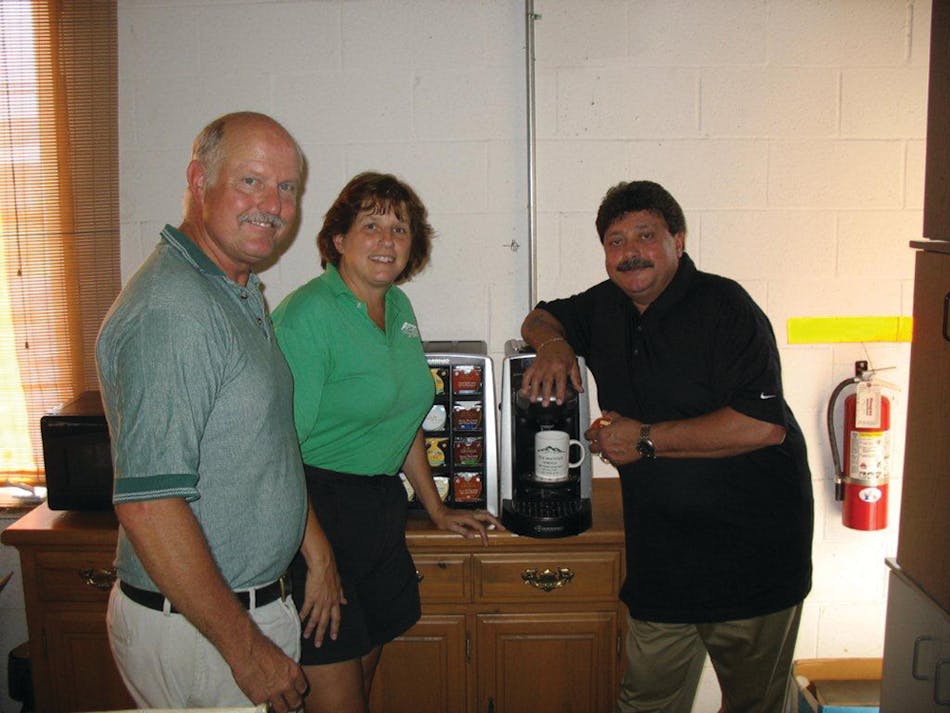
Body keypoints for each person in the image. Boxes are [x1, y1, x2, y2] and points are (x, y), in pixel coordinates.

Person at [519, 180, 813, 713]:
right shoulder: (604, 306)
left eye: (645, 235)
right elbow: (540, 316)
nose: (629, 252)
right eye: (614, 240)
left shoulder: (726, 307)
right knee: (645, 702)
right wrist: (556, 345)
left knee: (757, 706)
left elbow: (761, 426)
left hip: (754, 557)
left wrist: (643, 440)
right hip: (663, 562)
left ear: (678, 240)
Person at [96, 111, 344, 712]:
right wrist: (247, 650)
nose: (273, 204)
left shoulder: (232, 289)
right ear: (198, 179)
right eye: (251, 181)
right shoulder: (175, 313)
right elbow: (150, 505)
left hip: (238, 612)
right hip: (206, 632)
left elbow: (261, 446)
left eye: (287, 188)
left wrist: (316, 549)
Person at [272, 171, 503, 713]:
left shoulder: (396, 308)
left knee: (364, 677)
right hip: (312, 512)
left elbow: (401, 422)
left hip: (377, 512)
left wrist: (437, 508)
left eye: (399, 229)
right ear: (338, 240)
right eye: (370, 225)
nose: (386, 240)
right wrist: (320, 562)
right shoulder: (307, 316)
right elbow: (276, 453)